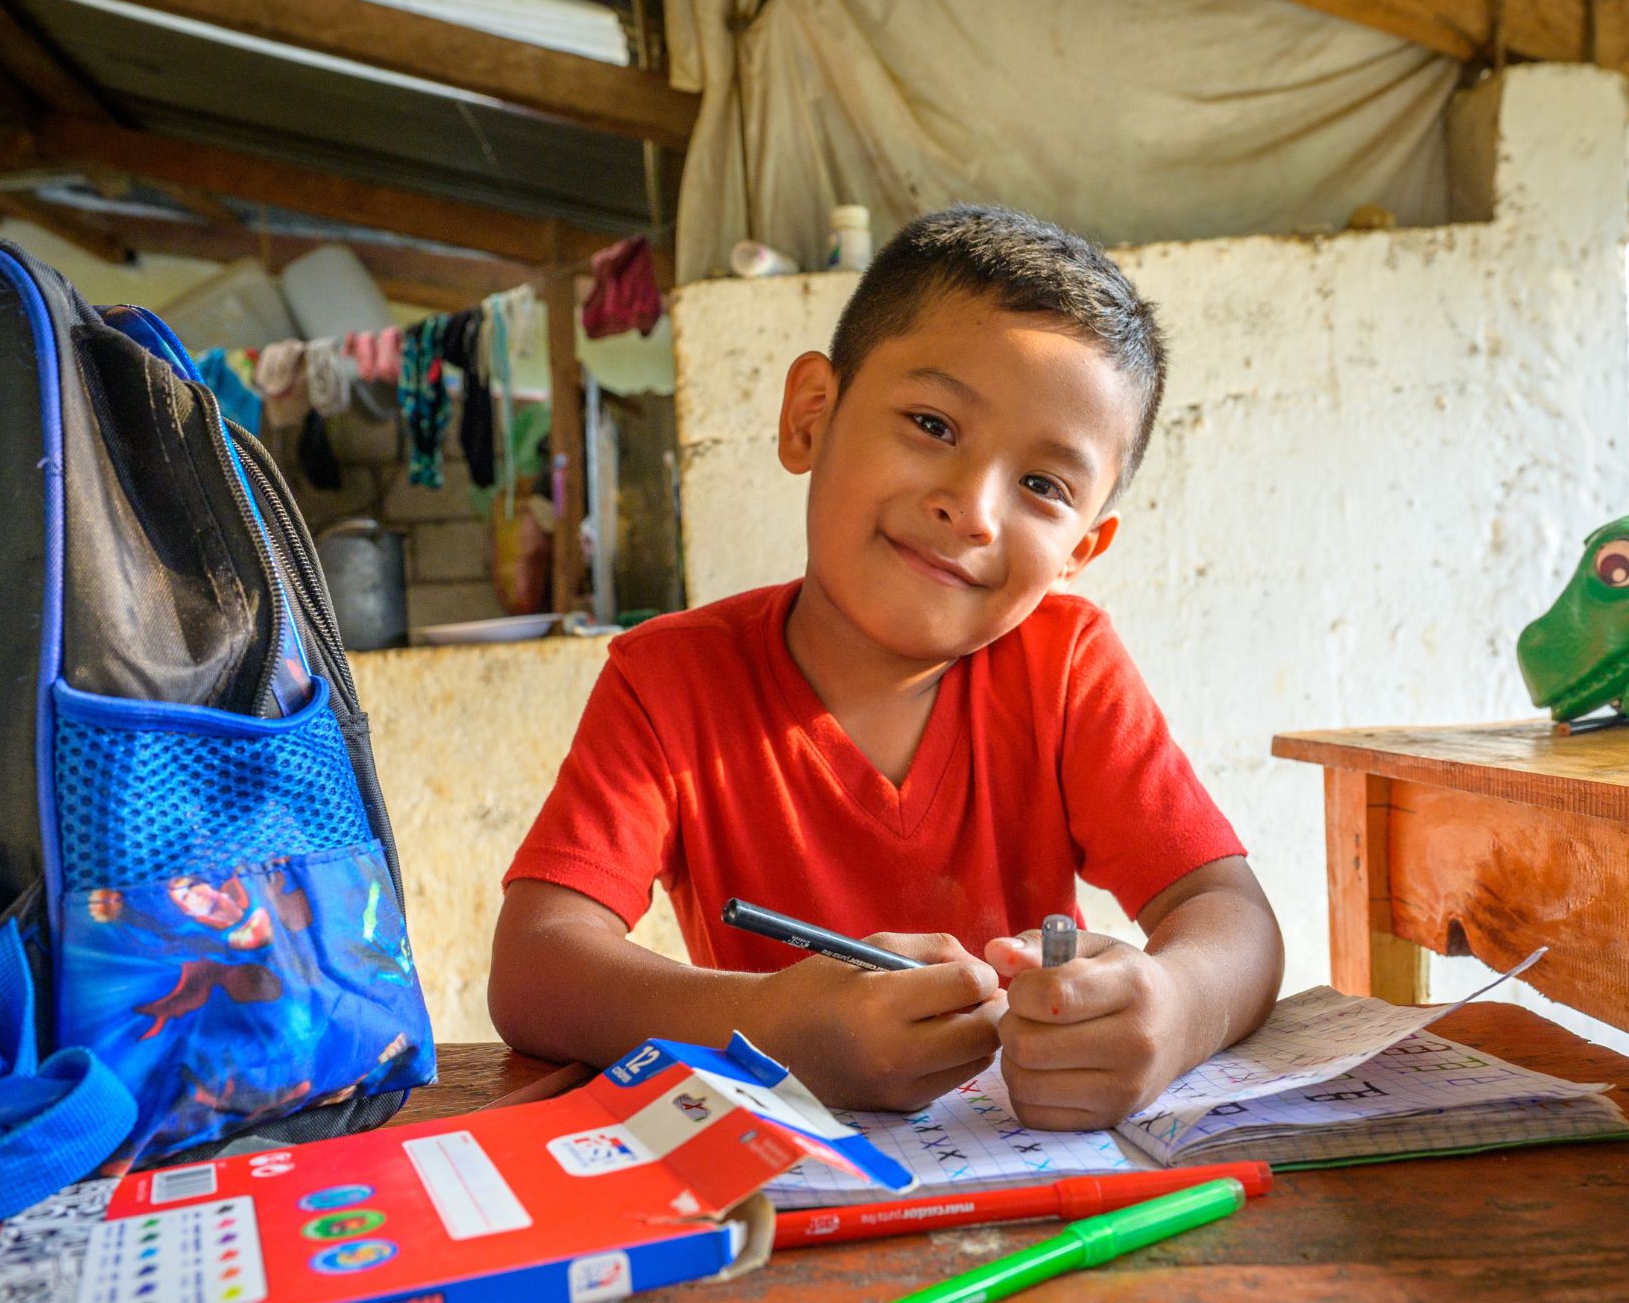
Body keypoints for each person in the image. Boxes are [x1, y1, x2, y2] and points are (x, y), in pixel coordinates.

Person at [490, 206, 1283, 1130]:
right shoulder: (669, 680)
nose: (973, 507)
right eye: (932, 423)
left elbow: (1230, 916)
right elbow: (536, 965)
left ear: (1080, 550)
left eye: (1042, 485)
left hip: (1018, 1177)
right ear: (810, 418)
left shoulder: (1064, 667)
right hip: (785, 1189)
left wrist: (1173, 1011)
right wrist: (760, 1027)